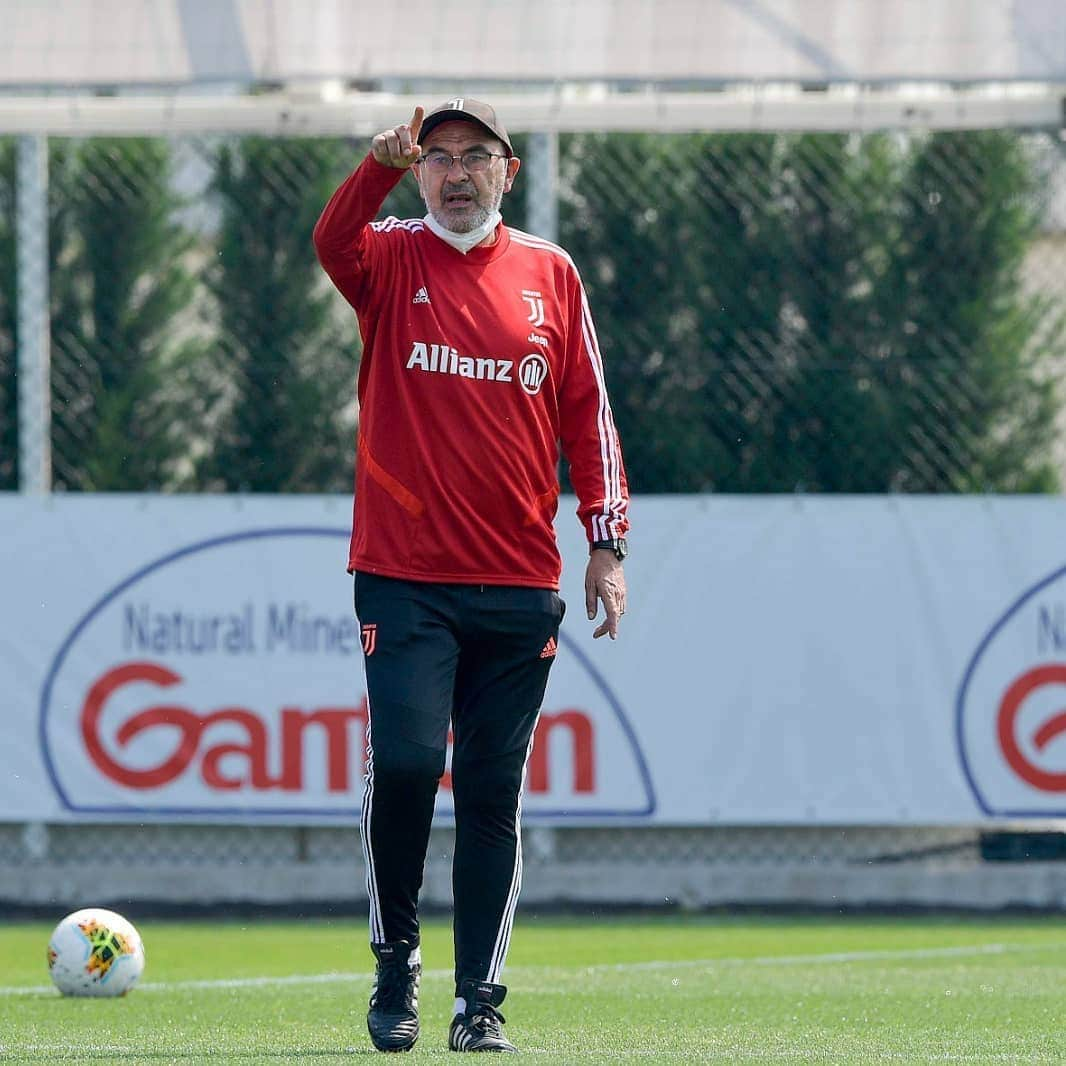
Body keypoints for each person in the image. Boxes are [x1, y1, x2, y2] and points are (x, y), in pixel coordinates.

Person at [313, 98, 629, 1054]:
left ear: (508, 170)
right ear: (419, 172)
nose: (455, 173)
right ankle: (395, 960)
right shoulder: (392, 256)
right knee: (407, 765)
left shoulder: (551, 275)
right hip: (404, 577)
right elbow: (332, 242)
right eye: (438, 157)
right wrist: (370, 171)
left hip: (519, 582)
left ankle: (479, 1001)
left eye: (473, 156)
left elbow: (590, 416)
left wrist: (605, 542)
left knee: (492, 790)